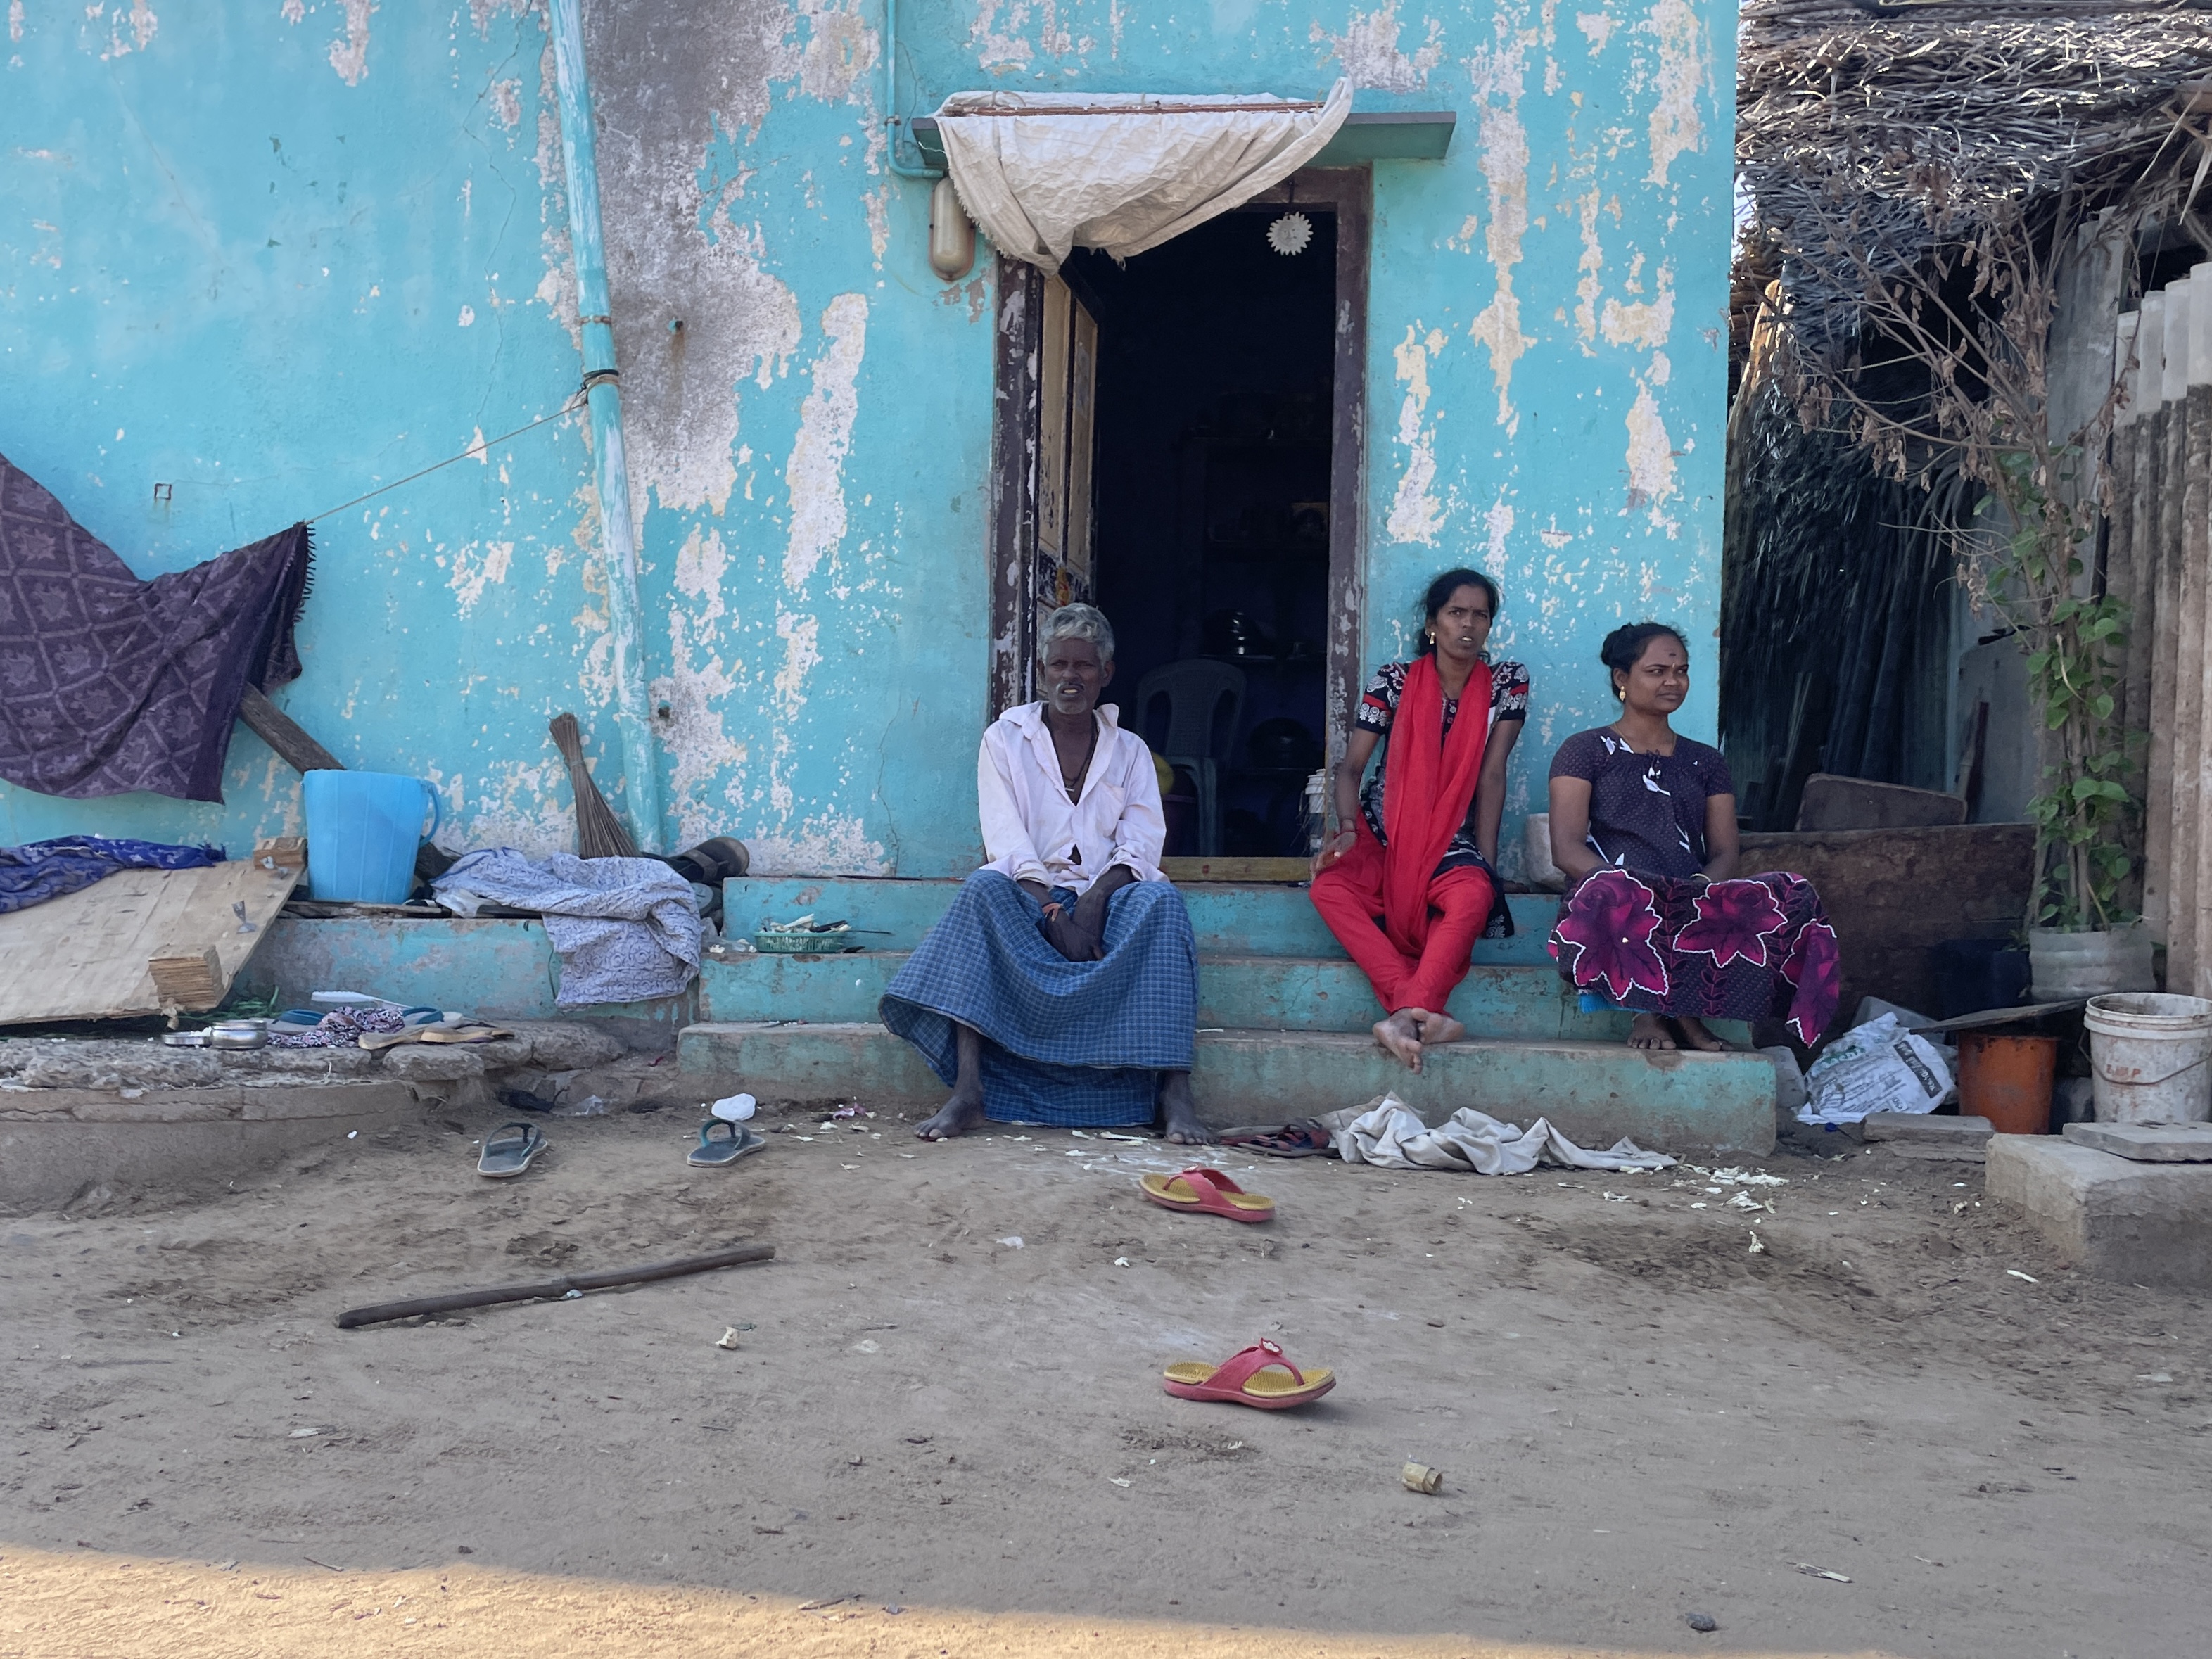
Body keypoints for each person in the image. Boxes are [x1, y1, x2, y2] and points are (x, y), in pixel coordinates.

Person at [880, 604, 1211, 1143]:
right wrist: (1055, 912)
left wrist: (1096, 899)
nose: (1070, 677)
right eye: (1059, 665)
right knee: (982, 889)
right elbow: (1006, 839)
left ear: (1106, 673)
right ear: (1042, 671)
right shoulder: (1005, 739)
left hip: (1108, 894)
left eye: (1084, 666)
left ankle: (1175, 1093)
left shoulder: (1131, 752)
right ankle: (969, 1091)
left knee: (1163, 903)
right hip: (1030, 892)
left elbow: (1142, 842)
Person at [1546, 622, 1839, 1050]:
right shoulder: (1584, 750)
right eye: (1657, 671)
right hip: (1616, 896)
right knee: (1618, 897)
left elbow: (1725, 851)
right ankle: (1651, 1015)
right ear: (1622, 677)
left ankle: (1761, 1022)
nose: (1673, 681)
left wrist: (1698, 888)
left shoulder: (1706, 761)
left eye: (1681, 671)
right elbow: (1566, 849)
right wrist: (1631, 887)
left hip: (1691, 893)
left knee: (1794, 892)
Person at [1309, 569, 1527, 1072]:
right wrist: (1347, 830)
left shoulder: (1506, 684)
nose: (1468, 625)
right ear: (1432, 624)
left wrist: (1488, 864)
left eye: (1480, 615)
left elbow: (1492, 775)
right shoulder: (1394, 681)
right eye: (1456, 613)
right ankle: (1418, 1008)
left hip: (1451, 838)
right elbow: (1351, 769)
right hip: (1383, 830)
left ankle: (1404, 1015)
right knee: (1327, 889)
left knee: (1473, 895)